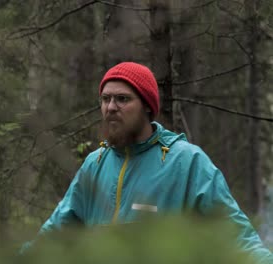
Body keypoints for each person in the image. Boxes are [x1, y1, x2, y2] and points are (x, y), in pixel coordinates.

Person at [21, 62, 273, 263]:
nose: (111, 107)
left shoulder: (186, 161)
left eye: (122, 99)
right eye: (105, 99)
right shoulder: (95, 164)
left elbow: (235, 236)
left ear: (147, 107)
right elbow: (55, 234)